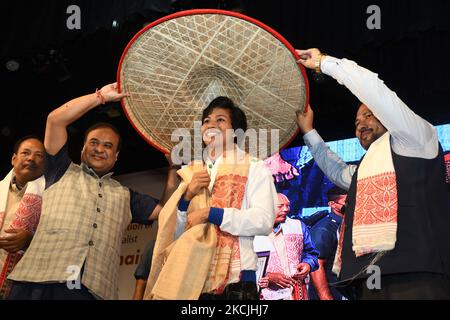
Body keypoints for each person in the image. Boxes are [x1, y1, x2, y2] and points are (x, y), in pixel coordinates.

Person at [296, 48, 450, 299]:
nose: (361, 125)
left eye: (369, 115)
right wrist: (309, 131)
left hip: (419, 276)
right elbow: (337, 171)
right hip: (369, 280)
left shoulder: (418, 139)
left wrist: (325, 63)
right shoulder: (367, 171)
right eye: (356, 123)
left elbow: (374, 90)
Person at [7, 83, 178, 300]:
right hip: (37, 284)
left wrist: (173, 168)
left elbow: (167, 212)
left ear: (116, 156)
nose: (99, 149)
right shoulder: (60, 170)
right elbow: (55, 120)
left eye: (108, 146)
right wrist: (100, 97)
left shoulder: (126, 195)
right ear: (82, 148)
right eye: (94, 142)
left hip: (92, 292)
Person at [145, 96, 277, 300]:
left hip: (236, 281)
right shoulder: (190, 173)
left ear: (236, 131)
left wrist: (210, 213)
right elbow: (174, 233)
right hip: (190, 276)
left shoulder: (254, 166)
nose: (211, 124)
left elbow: (264, 220)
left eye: (221, 120)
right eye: (206, 120)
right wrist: (187, 197)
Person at [0, 136, 46, 299]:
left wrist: (31, 239)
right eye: (25, 153)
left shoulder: (52, 196)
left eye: (39, 155)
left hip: (26, 286)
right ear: (14, 159)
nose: (31, 158)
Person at [254, 193, 319, 300]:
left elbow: (311, 253)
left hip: (297, 293)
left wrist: (308, 264)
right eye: (280, 206)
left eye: (288, 205)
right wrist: (268, 277)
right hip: (266, 295)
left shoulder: (297, 226)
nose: (286, 209)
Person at [308, 186, 348, 300]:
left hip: (348, 289)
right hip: (333, 292)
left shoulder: (349, 224)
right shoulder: (323, 229)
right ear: (332, 204)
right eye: (346, 201)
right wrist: (326, 296)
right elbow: (317, 265)